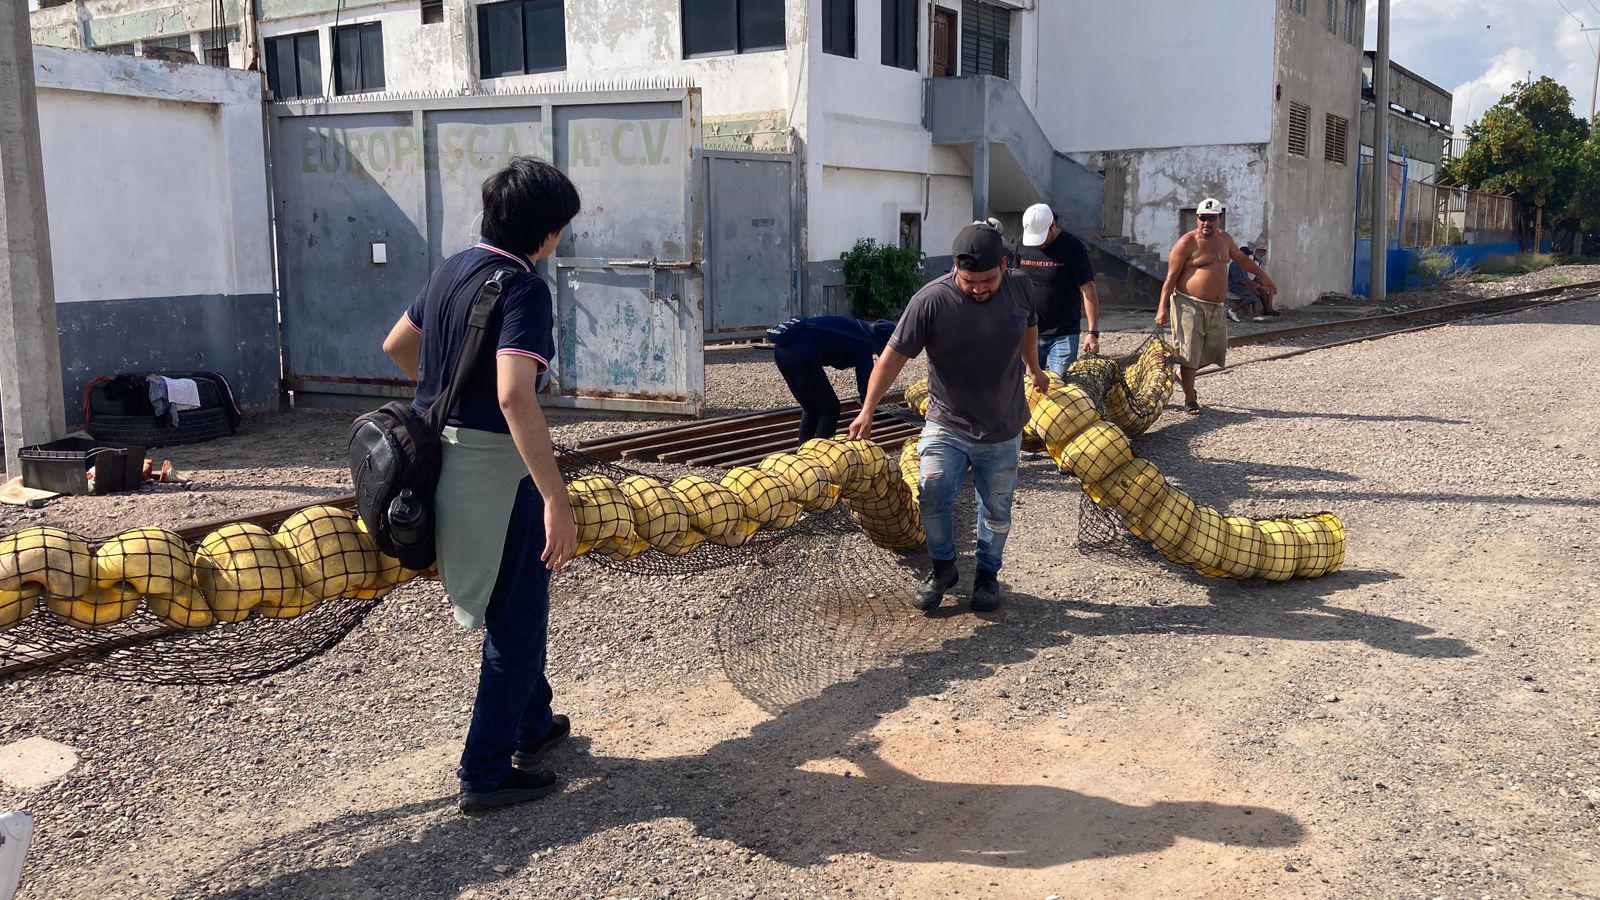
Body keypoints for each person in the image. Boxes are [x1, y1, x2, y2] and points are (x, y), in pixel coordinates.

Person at [381, 157, 582, 813]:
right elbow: (514, 394)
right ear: (547, 232)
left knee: (513, 601)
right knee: (516, 622)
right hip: (495, 471)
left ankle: (532, 722)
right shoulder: (525, 289)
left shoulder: (451, 269)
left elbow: (397, 345)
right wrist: (555, 498)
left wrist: (447, 394)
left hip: (439, 460)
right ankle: (485, 772)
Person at [848, 221, 1049, 613]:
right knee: (933, 490)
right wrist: (868, 408)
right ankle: (943, 568)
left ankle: (988, 575)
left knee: (996, 507)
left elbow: (1028, 326)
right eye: (969, 281)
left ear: (1004, 266)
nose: (978, 288)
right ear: (956, 267)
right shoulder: (931, 301)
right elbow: (891, 358)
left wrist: (1034, 368)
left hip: (1003, 424)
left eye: (987, 280)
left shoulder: (1021, 286)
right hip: (948, 421)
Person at [1156, 198, 1276, 414]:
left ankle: (1181, 373)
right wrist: (1161, 309)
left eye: (1211, 218)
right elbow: (1170, 278)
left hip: (1216, 306)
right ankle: (1190, 399)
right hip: (1189, 304)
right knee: (1190, 351)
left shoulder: (1225, 239)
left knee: (1216, 351)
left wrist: (1264, 277)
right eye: (1203, 218)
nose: (1206, 223)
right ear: (1197, 218)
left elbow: (1242, 260)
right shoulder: (1187, 242)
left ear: (1219, 218)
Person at [770, 316, 896, 443]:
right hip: (799, 353)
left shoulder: (858, 328)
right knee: (830, 410)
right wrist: (866, 414)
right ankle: (822, 453)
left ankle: (804, 452)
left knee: (812, 409)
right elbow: (866, 385)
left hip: (781, 349)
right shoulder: (864, 344)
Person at [1014, 203, 1101, 375]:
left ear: (1052, 225)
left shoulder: (1073, 248)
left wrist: (1093, 332)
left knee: (1061, 386)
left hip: (1063, 334)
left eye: (1041, 237)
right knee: (1027, 386)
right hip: (1028, 332)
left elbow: (1088, 290)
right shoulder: (1021, 245)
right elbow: (1013, 284)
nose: (1037, 244)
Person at [1227, 244, 1268, 323]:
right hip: (1235, 286)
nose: (1248, 257)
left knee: (1256, 293)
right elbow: (1240, 281)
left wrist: (1254, 285)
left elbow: (1246, 278)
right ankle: (1232, 310)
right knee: (1252, 297)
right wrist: (1251, 288)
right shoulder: (1235, 264)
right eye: (1247, 255)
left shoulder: (1243, 264)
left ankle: (1256, 316)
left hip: (1242, 284)